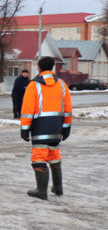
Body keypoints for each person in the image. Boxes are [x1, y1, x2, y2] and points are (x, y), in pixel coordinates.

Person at [20, 56, 72, 200]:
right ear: (53, 67)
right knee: (54, 156)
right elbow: (68, 109)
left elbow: (27, 109)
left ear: (39, 68)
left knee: (39, 157)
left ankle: (41, 191)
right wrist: (66, 128)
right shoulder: (62, 84)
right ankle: (58, 187)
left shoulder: (34, 85)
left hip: (40, 128)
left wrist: (24, 130)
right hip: (57, 128)